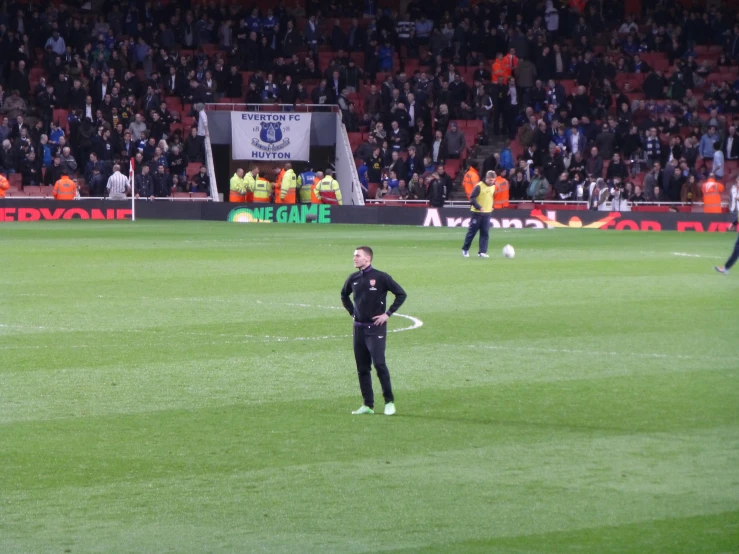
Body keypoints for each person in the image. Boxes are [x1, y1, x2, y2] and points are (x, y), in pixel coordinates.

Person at [340, 246, 407, 416]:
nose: (354, 258)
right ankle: (368, 405)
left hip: (376, 329)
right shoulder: (353, 278)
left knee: (379, 364)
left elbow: (401, 294)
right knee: (362, 368)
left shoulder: (381, 277)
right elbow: (343, 295)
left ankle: (389, 401)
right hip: (359, 330)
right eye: (354, 255)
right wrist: (352, 312)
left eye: (357, 255)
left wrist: (388, 314)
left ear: (367, 259)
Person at [462, 170, 497, 258]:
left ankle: (482, 252)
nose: (492, 182)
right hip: (477, 213)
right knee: (472, 232)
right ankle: (465, 249)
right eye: (490, 180)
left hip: (487, 213)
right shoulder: (479, 186)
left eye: (493, 180)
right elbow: (472, 198)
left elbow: (490, 197)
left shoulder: (493, 186)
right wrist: (479, 207)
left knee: (485, 233)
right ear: (487, 178)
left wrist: (492, 205)